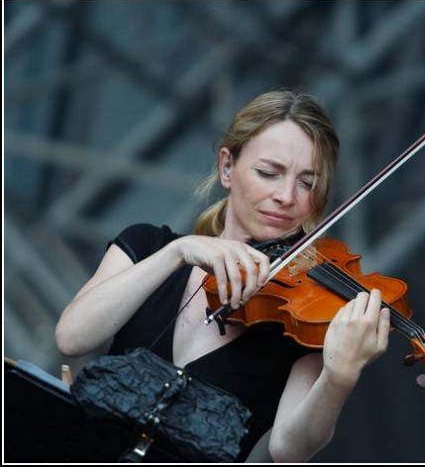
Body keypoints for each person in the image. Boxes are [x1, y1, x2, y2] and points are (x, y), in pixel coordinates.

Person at [55, 90, 391, 462]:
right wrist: (176, 253)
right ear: (227, 167)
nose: (286, 195)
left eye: (307, 182)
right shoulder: (149, 245)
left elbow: (289, 451)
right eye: (269, 173)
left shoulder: (304, 318)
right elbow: (72, 337)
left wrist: (338, 378)